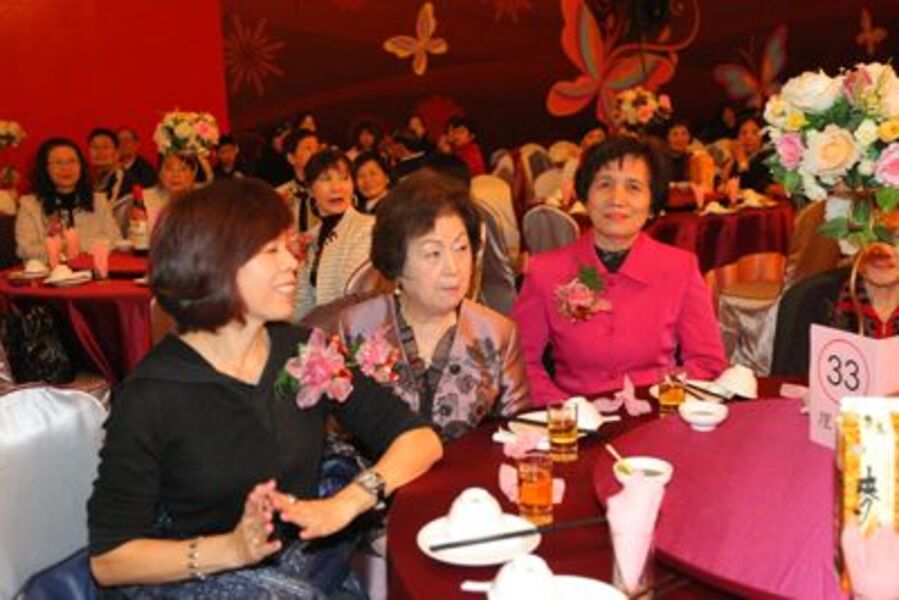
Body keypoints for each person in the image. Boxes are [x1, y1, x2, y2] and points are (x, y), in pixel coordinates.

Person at [86, 178, 442, 598]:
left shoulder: (306, 352)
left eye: (288, 247)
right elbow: (109, 560)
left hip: (308, 571)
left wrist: (347, 503)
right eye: (271, 250)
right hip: (201, 582)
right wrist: (232, 549)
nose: (292, 262)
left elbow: (418, 438)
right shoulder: (153, 393)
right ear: (213, 261)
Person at [512, 136, 727, 405]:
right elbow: (521, 364)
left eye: (633, 187)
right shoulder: (545, 271)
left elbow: (707, 362)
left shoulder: (680, 268)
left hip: (658, 414)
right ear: (585, 196)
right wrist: (567, 412)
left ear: (652, 204)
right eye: (604, 184)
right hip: (577, 420)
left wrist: (662, 400)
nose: (617, 199)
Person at [339, 169, 530, 441]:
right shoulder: (358, 326)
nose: (453, 268)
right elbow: (341, 431)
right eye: (433, 253)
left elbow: (518, 435)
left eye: (461, 248)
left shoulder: (497, 333)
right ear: (396, 261)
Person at [293, 149, 374, 321]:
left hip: (352, 329)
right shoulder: (310, 238)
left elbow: (351, 294)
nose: (337, 187)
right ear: (310, 189)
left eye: (344, 178)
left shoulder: (367, 228)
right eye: (326, 179)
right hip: (317, 332)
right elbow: (302, 301)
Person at [15, 137, 121, 262]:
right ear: (45, 168)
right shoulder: (30, 205)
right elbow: (24, 249)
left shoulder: (98, 201)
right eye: (58, 163)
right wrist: (64, 250)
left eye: (72, 161)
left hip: (91, 269)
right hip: (48, 271)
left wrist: (73, 246)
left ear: (81, 166)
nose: (66, 168)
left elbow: (115, 240)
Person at [277, 128, 321, 233]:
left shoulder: (330, 190)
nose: (315, 153)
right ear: (291, 158)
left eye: (317, 148)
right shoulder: (279, 195)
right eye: (308, 148)